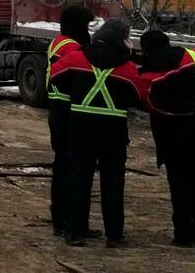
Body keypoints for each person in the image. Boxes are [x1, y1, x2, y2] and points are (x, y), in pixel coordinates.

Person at [50, 19, 141, 248]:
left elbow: (55, 77)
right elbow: (139, 96)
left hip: (80, 129)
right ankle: (114, 235)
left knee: (79, 181)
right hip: (114, 133)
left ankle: (75, 232)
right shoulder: (127, 68)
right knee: (113, 183)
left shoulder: (77, 58)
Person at [138, 29, 195, 248]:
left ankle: (183, 234)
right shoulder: (192, 57)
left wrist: (185, 108)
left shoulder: (148, 72)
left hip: (173, 139)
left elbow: (149, 102)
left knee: (180, 186)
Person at [47, 5, 95, 238]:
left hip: (57, 110)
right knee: (70, 168)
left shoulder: (58, 42)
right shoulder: (72, 48)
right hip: (67, 111)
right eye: (86, 26)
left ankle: (60, 218)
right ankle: (67, 220)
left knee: (62, 166)